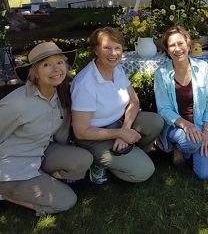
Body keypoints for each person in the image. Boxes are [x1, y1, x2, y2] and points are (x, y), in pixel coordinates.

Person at [0, 42, 93, 216]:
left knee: (84, 159)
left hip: (40, 152)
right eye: (46, 65)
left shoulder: (60, 94)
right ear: (34, 73)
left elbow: (62, 134)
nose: (56, 69)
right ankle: (5, 193)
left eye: (59, 62)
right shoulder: (17, 104)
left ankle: (46, 178)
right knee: (67, 201)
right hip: (13, 168)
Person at [71, 27, 164, 184]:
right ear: (96, 50)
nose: (113, 53)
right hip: (93, 137)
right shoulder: (85, 83)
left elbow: (134, 101)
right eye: (106, 47)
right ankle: (97, 163)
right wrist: (119, 133)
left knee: (155, 122)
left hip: (119, 124)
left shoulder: (117, 68)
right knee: (144, 171)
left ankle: (126, 153)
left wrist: (125, 130)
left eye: (117, 48)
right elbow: (81, 132)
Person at [154, 26, 208, 179]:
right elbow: (164, 109)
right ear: (167, 50)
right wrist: (186, 125)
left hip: (202, 125)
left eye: (180, 43)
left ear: (188, 44)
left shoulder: (202, 68)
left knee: (205, 174)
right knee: (193, 143)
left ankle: (184, 150)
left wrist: (206, 132)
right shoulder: (161, 73)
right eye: (172, 45)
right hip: (176, 126)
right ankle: (178, 145)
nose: (177, 49)